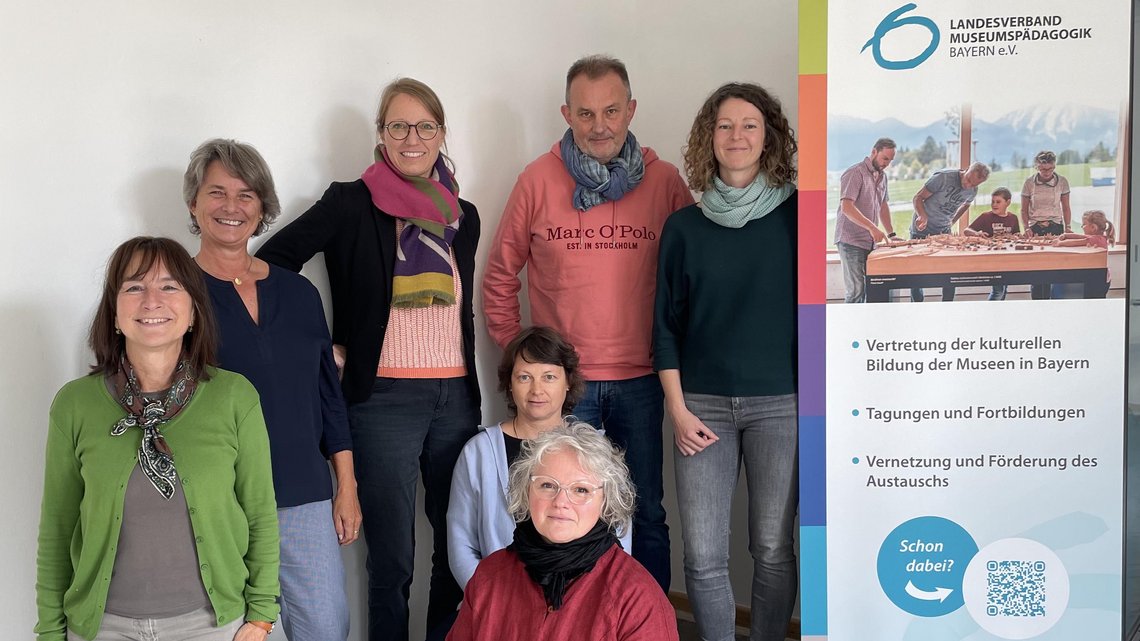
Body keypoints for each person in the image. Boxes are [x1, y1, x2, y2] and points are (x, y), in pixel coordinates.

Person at [256, 78, 481, 641]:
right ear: (381, 133)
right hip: (381, 401)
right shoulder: (350, 202)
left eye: (425, 126)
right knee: (393, 559)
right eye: (398, 126)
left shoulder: (463, 215)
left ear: (442, 134)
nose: (412, 138)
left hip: (455, 398)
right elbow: (272, 264)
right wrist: (321, 345)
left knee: (457, 545)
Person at [482, 54, 692, 591]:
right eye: (585, 113)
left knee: (645, 512)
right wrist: (527, 363)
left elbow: (694, 279)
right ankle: (571, 620)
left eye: (611, 111)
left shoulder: (665, 182)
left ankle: (648, 622)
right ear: (566, 114)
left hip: (642, 381)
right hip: (565, 389)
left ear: (631, 110)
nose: (600, 125)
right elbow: (500, 276)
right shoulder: (537, 180)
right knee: (562, 518)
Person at [35, 237, 278, 641]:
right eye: (134, 286)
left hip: (211, 626)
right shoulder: (75, 404)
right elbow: (58, 527)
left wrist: (262, 615)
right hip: (101, 628)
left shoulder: (235, 397)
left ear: (194, 312)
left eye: (169, 286)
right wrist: (49, 632)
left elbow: (260, 513)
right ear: (115, 313)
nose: (152, 301)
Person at [185, 139, 359, 640]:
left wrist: (346, 486)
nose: (232, 206)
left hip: (304, 494)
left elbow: (328, 397)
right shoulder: (175, 293)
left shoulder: (299, 292)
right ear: (194, 203)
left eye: (246, 195)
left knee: (325, 628)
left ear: (262, 208)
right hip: (217, 502)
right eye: (217, 192)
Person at [654, 82, 798, 641]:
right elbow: (665, 327)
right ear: (708, 137)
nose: (737, 136)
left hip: (782, 405)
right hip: (700, 408)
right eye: (725, 125)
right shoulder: (683, 228)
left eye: (749, 125)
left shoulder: (797, 217)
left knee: (773, 546)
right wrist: (677, 410)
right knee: (703, 556)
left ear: (768, 137)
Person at [447, 422, 678, 641]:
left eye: (581, 490)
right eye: (547, 485)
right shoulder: (489, 575)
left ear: (606, 501)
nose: (560, 502)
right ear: (526, 491)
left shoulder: (638, 598)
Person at [447, 326, 633, 594]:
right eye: (524, 377)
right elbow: (460, 544)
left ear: (568, 382)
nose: (537, 390)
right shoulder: (478, 452)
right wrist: (491, 601)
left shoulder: (596, 448)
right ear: (509, 383)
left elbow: (620, 532)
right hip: (500, 598)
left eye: (549, 377)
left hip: (585, 599)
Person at [909, 161, 990, 301]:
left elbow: (966, 205)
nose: (968, 185)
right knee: (916, 273)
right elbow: (918, 198)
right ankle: (917, 305)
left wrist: (952, 221)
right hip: (921, 230)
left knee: (949, 271)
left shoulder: (973, 190)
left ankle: (947, 305)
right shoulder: (943, 177)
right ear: (966, 169)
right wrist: (922, 215)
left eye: (973, 184)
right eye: (968, 180)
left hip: (944, 232)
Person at [834, 137, 897, 303]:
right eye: (884, 158)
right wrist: (873, 228)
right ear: (874, 152)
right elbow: (846, 207)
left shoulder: (882, 177)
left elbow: (882, 205)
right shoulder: (855, 173)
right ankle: (851, 321)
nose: (886, 164)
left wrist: (891, 234)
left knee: (874, 288)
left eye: (890, 160)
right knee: (856, 291)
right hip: (850, 240)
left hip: (870, 242)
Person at [1021, 150, 1072, 299]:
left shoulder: (1062, 182)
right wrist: (1026, 227)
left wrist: (1068, 227)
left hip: (1055, 225)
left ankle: (1052, 301)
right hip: (1035, 227)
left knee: (1054, 266)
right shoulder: (1029, 183)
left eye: (1050, 169)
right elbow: (1024, 209)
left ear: (1054, 166)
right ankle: (1037, 300)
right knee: (1036, 266)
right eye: (1043, 169)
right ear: (1036, 167)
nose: (1047, 172)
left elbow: (1066, 207)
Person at [963, 187, 1020, 301]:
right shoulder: (986, 217)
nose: (994, 204)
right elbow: (967, 230)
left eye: (998, 202)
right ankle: (990, 310)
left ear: (1008, 202)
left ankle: (998, 310)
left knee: (1003, 289)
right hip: (993, 258)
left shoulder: (1013, 218)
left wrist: (1018, 236)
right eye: (992, 201)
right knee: (998, 291)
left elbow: (1016, 233)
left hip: (1007, 258)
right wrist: (977, 234)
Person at [1053, 209, 1114, 298]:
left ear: (1093, 227)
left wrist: (1060, 243)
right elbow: (1079, 236)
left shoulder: (1096, 239)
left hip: (1099, 279)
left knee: (1093, 299)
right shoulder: (1098, 237)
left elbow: (1078, 242)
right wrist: (1066, 235)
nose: (1082, 227)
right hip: (1096, 275)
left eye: (1084, 224)